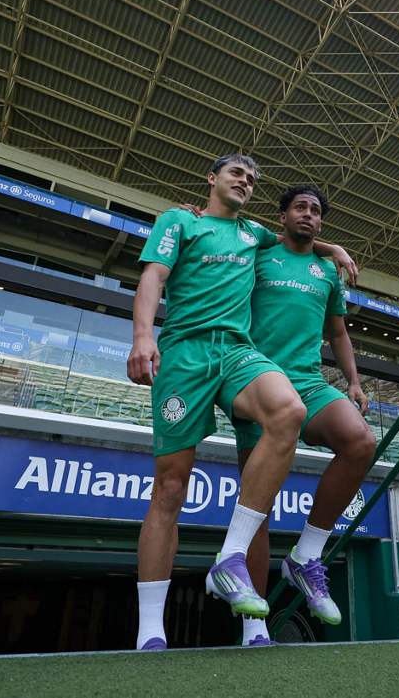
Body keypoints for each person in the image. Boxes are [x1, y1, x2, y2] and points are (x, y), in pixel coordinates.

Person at [128, 154, 356, 651]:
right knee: (169, 489)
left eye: (252, 180)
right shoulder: (180, 220)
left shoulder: (255, 235)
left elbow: (301, 241)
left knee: (289, 410)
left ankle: (230, 560)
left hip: (236, 351)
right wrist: (144, 336)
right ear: (213, 179)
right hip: (185, 354)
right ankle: (151, 629)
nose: (245, 183)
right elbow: (153, 278)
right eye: (237, 175)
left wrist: (333, 247)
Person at [221, 185, 376, 646]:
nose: (308, 215)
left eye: (316, 211)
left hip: (309, 382)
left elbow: (339, 332)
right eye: (300, 208)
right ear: (283, 215)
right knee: (259, 511)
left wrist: (353, 380)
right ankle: (254, 625)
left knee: (360, 442)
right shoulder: (260, 253)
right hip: (258, 383)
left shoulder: (327, 272)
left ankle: (306, 555)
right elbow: (226, 229)